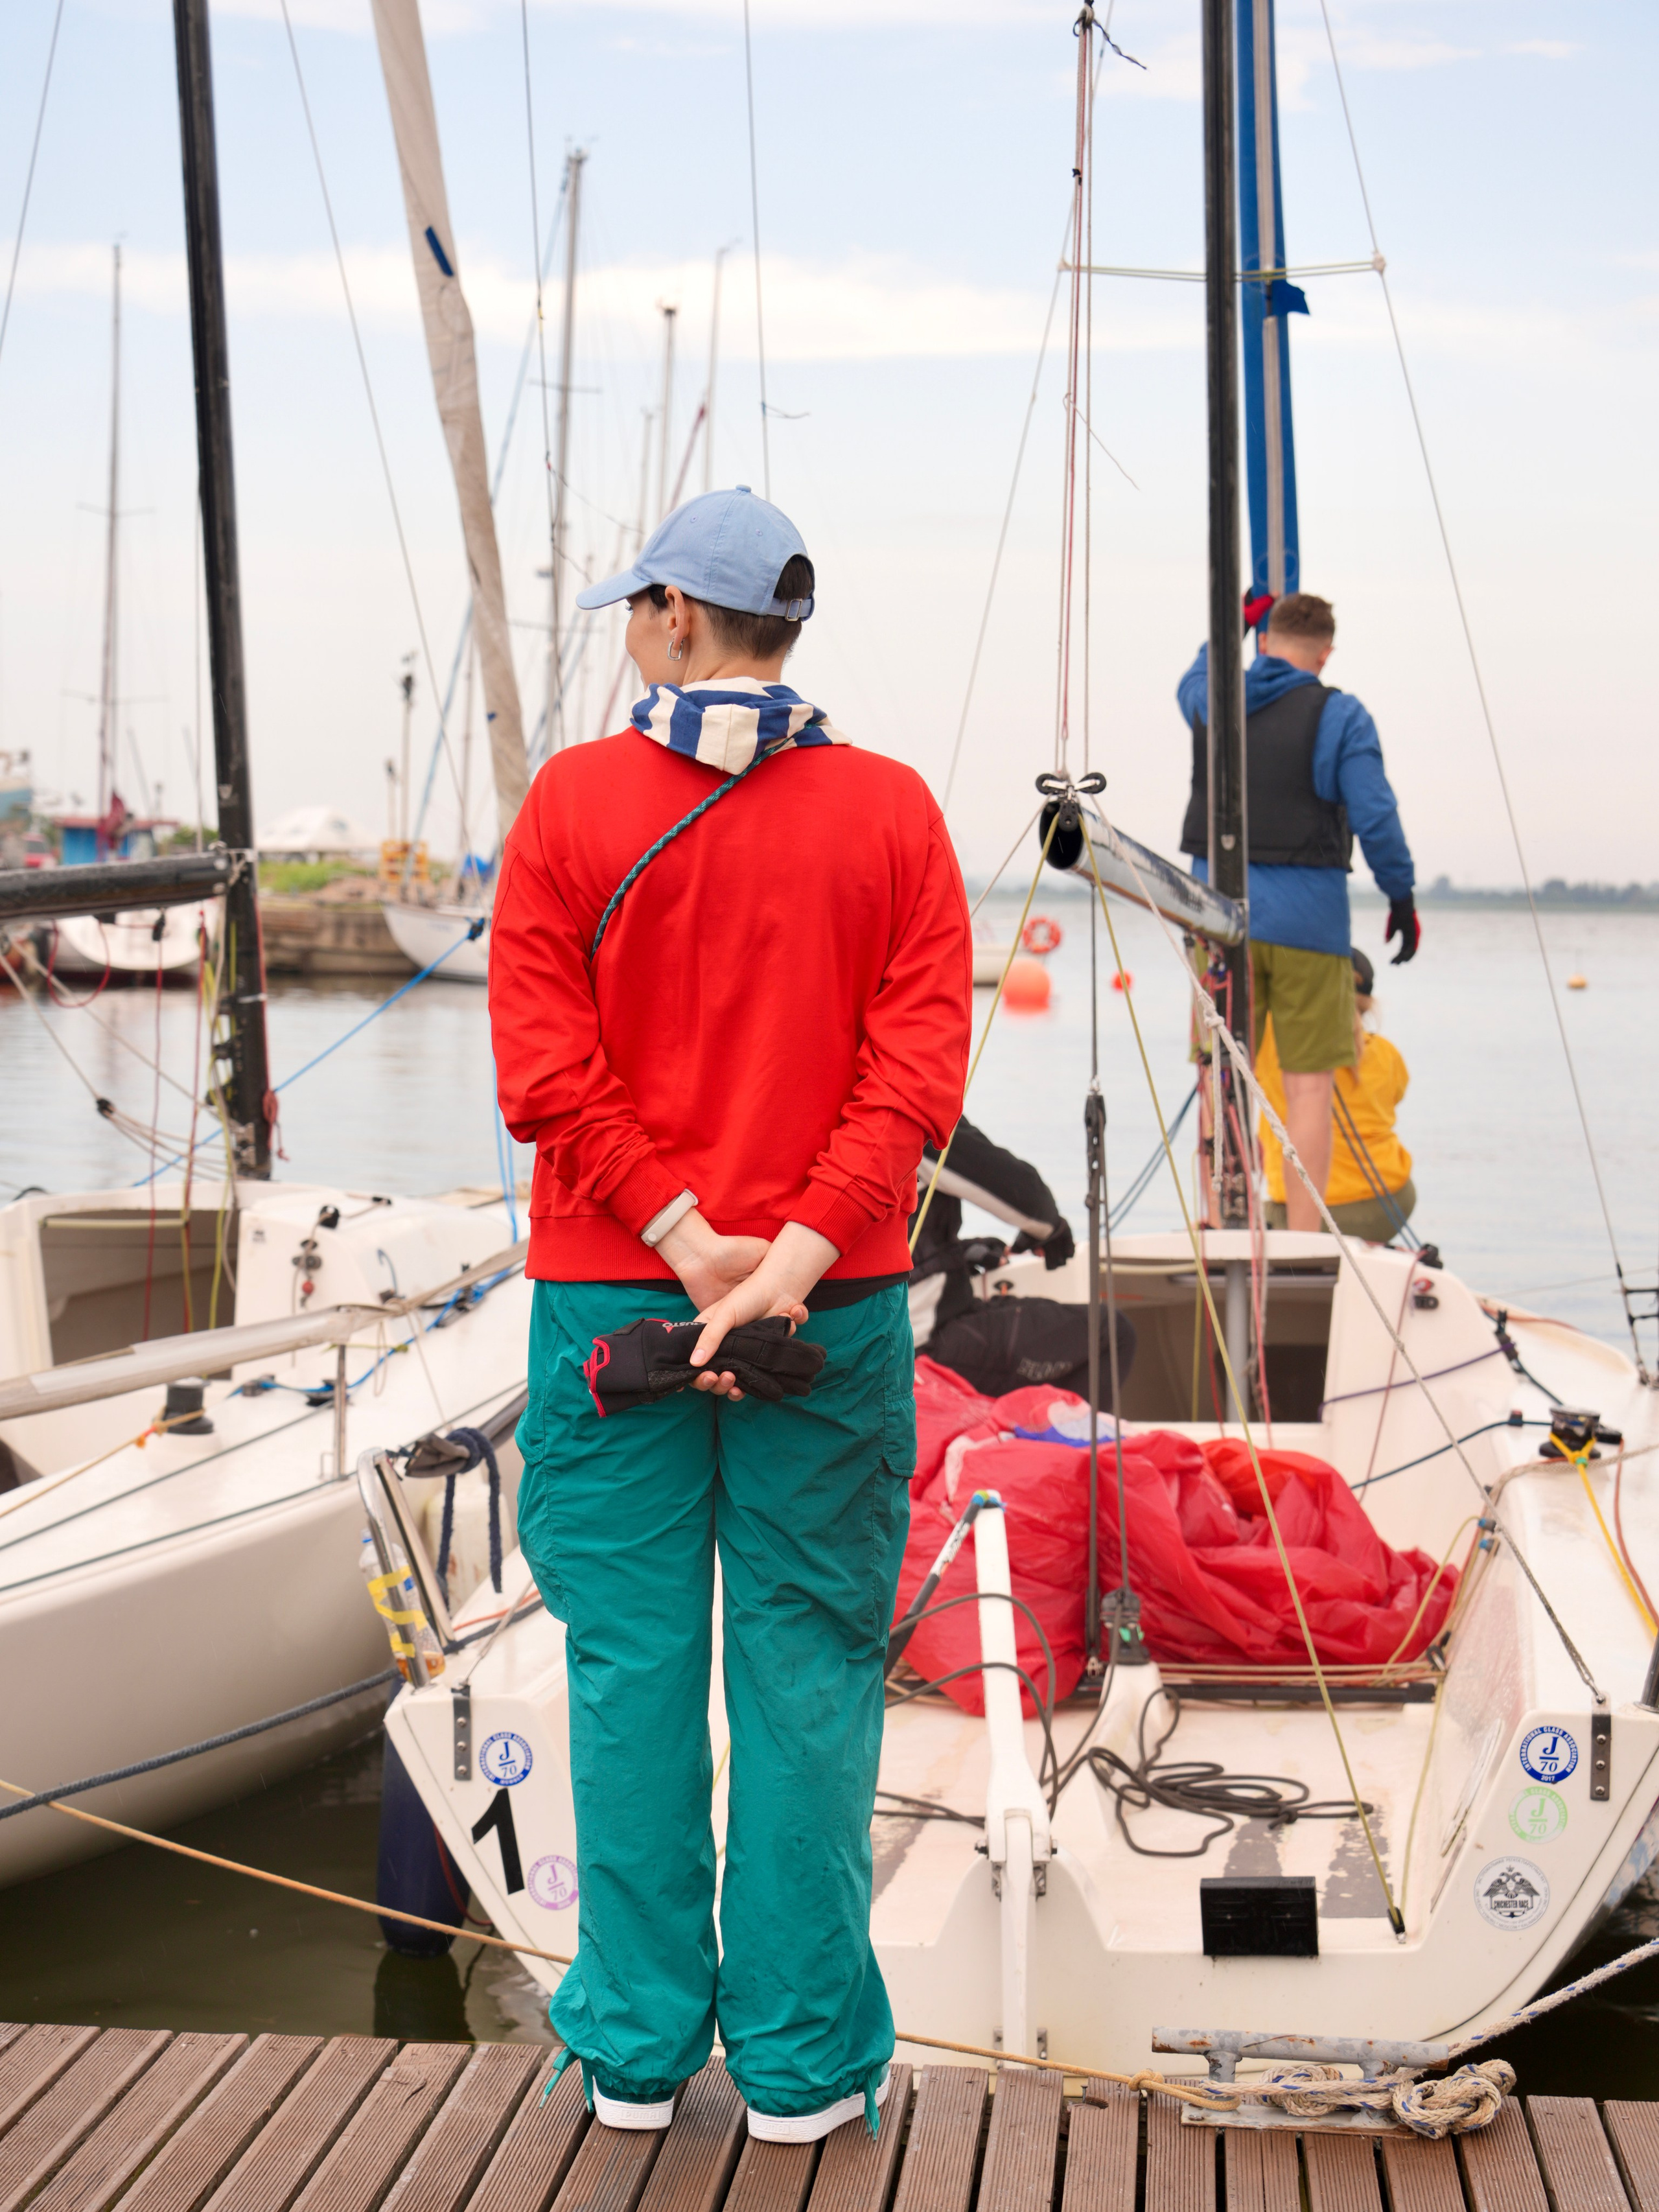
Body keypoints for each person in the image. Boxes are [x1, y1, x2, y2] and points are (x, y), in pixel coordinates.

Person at [489, 485, 972, 2143]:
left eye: (639, 605)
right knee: (807, 1669)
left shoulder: (568, 802)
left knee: (628, 1670)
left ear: (679, 618)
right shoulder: (894, 814)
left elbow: (545, 1070)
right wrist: (789, 1256)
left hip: (611, 1305)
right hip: (817, 1320)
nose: (631, 628)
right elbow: (911, 1079)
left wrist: (685, 1234)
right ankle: (802, 2062)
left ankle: (631, 2049)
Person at [1178, 591, 1417, 1230]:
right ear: (1326, 653)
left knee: (1219, 1072)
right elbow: (1375, 813)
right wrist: (1401, 895)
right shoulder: (1342, 716)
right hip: (1310, 924)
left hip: (1216, 918)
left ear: (1263, 642)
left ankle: (1218, 1220)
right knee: (1310, 1085)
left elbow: (1195, 677)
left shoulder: (1212, 699)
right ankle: (1305, 1235)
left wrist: (1233, 621)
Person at [909, 1117, 1136, 1401]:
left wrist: (964, 1252)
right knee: (1110, 1334)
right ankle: (1063, 1440)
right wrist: (1051, 1230)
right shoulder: (915, 1113)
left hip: (877, 1342)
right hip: (924, 1342)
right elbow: (1019, 1193)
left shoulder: (851, 1120)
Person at [1257, 946, 1416, 1240]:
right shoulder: (1387, 1054)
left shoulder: (1271, 1039)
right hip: (1393, 1201)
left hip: (1315, 1213)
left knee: (1261, 1216)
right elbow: (1395, 1096)